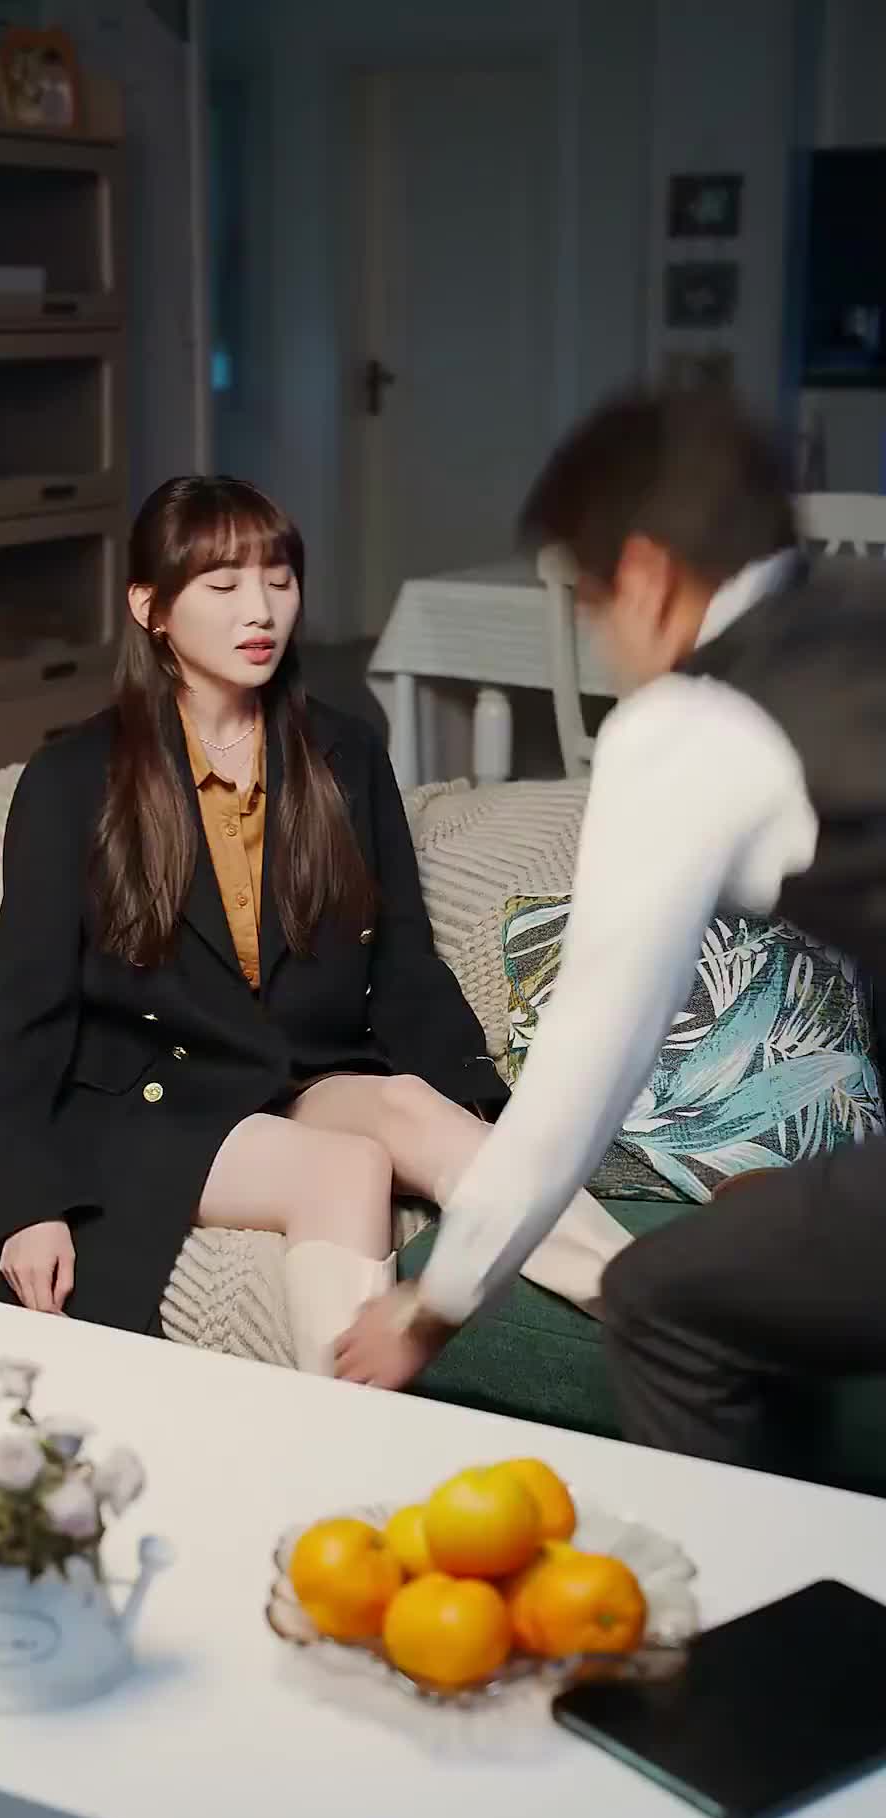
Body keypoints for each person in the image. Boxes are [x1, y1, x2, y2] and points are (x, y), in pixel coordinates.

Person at [335, 384, 886, 1469]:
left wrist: (434, 1304)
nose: (602, 644)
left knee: (657, 1302)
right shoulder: (860, 614)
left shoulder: (693, 724)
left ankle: (743, 1582)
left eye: (590, 607)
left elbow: (585, 1068)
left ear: (643, 577)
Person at [0, 475, 623, 1368]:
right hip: (148, 1100)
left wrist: (471, 1106)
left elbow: (403, 960)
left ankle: (660, 1308)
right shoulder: (71, 779)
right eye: (224, 584)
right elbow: (24, 1012)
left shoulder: (344, 749)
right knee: (346, 1166)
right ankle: (347, 1431)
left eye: (279, 581)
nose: (262, 610)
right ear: (150, 607)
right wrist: (28, 1202)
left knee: (409, 1106)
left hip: (298, 1070)